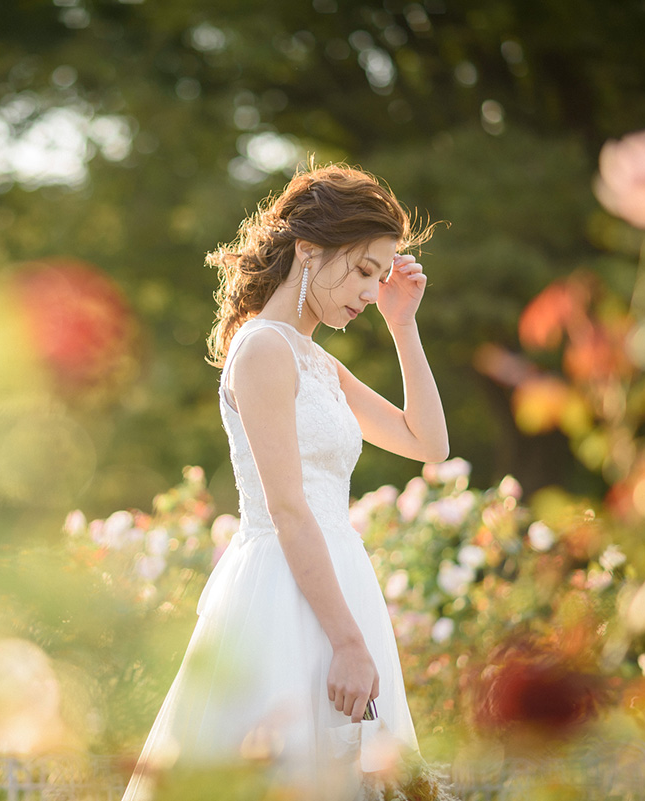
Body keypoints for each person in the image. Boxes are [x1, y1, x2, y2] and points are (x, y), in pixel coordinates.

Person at [121, 164, 459, 801]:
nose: (369, 291)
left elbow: (429, 445)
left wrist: (403, 325)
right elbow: (288, 510)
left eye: (380, 277)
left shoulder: (316, 361)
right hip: (283, 596)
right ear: (309, 249)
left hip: (338, 585)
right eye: (364, 271)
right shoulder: (263, 350)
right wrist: (348, 642)